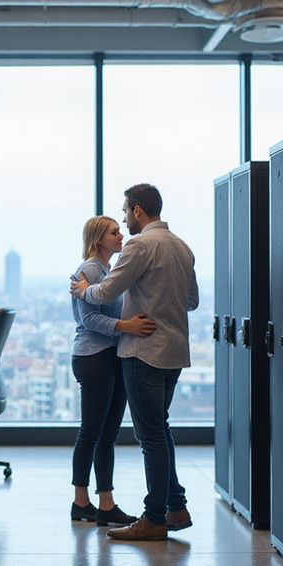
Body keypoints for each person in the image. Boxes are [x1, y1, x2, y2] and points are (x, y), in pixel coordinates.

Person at [71, 184, 198, 541]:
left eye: (125, 213)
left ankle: (154, 517)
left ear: (139, 211)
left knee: (151, 436)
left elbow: (105, 291)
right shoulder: (182, 246)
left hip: (143, 352)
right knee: (161, 429)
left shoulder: (141, 246)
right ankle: (176, 505)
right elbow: (192, 300)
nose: (125, 220)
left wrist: (83, 291)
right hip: (173, 351)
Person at [70, 215, 156, 527]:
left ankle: (106, 503)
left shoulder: (107, 271)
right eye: (113, 232)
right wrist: (126, 326)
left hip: (111, 355)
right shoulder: (89, 270)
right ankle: (81, 501)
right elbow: (89, 319)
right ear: (98, 239)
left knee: (107, 434)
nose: (121, 236)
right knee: (92, 430)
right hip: (94, 357)